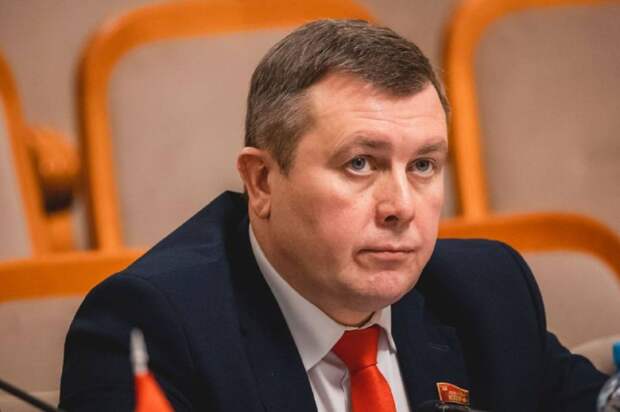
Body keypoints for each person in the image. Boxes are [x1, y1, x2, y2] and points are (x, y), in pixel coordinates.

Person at [59, 19, 607, 412]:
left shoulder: (487, 291)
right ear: (262, 181)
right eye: (360, 163)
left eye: (423, 165)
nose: (401, 207)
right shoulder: (153, 326)